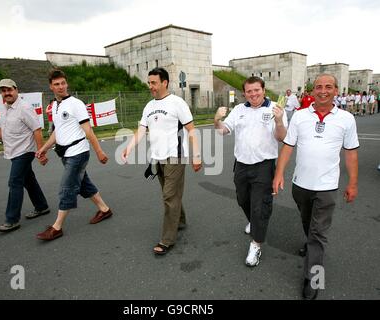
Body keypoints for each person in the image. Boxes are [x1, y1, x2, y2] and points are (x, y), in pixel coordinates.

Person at [272, 74, 359, 300]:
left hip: (327, 187)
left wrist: (352, 183)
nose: (323, 91)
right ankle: (310, 245)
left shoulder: (347, 119)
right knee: (307, 222)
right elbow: (288, 147)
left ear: (336, 90)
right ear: (312, 91)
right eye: (319, 87)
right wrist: (279, 174)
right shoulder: (300, 116)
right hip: (300, 185)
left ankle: (314, 279)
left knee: (319, 233)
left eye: (328, 87)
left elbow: (351, 154)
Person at [121, 67, 202, 255]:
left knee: (168, 196)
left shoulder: (177, 103)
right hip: (158, 157)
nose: (151, 86)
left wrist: (196, 155)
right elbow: (141, 130)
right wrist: (129, 146)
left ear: (164, 82)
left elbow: (191, 130)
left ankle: (167, 240)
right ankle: (180, 220)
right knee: (171, 195)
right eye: (149, 83)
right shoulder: (149, 107)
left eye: (154, 83)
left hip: (175, 156)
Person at [214, 76, 287, 267]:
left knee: (259, 206)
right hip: (241, 164)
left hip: (264, 165)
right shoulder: (239, 110)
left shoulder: (275, 110)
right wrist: (216, 120)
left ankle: (256, 245)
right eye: (249, 91)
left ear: (263, 90)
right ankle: (254, 222)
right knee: (242, 199)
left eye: (257, 90)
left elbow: (281, 137)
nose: (253, 94)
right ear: (244, 93)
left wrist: (279, 121)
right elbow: (224, 130)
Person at [35, 69, 112, 241]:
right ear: (51, 86)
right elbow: (57, 132)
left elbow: (88, 131)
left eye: (63, 83)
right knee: (84, 184)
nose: (61, 87)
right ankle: (105, 209)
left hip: (78, 153)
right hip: (65, 154)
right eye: (56, 84)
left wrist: (99, 151)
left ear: (67, 83)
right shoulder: (55, 105)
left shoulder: (76, 104)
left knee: (67, 187)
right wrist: (44, 148)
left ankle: (57, 227)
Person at [0, 79, 50, 232]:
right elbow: (1, 128)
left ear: (16, 90)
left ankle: (11, 220)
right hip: (13, 151)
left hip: (25, 152)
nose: (7, 93)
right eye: (3, 91)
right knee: (28, 180)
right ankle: (42, 206)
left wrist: (41, 152)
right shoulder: (5, 107)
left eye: (9, 90)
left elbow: (37, 130)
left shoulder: (24, 108)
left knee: (14, 182)